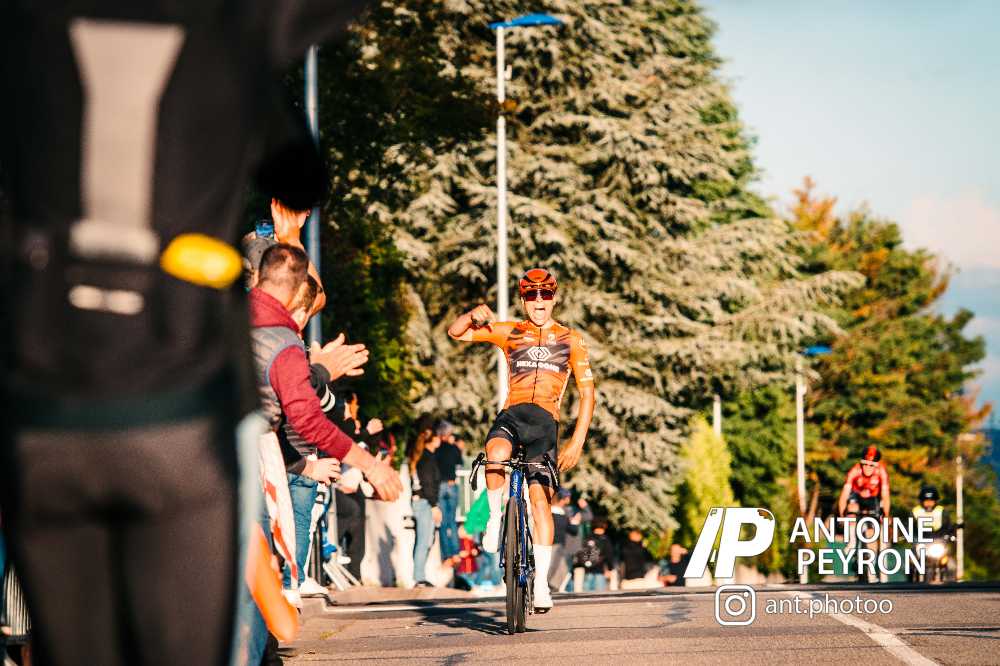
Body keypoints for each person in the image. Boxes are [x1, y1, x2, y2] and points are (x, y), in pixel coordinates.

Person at [0, 2, 371, 664]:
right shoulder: (221, 37)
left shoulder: (29, 27)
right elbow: (300, 174)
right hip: (177, 410)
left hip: (47, 403)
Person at [447, 268, 597, 612]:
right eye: (531, 295)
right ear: (523, 300)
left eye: (545, 295)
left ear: (554, 299)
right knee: (495, 453)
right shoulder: (511, 331)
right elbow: (456, 332)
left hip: (545, 425)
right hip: (513, 415)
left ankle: (541, 585)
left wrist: (576, 442)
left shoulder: (571, 339)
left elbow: (587, 394)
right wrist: (472, 315)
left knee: (540, 501)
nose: (539, 301)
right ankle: (495, 518)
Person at [250, 244, 401, 499]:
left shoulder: (225, 314)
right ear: (300, 289)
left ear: (259, 276)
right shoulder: (283, 343)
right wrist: (371, 466)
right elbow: (308, 421)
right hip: (250, 470)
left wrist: (316, 372)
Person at [409, 430, 442, 587]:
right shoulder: (427, 459)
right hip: (425, 503)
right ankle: (419, 577)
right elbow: (428, 484)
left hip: (422, 502)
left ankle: (419, 575)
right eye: (437, 436)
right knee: (424, 541)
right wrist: (434, 505)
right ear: (431, 440)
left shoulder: (423, 457)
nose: (439, 439)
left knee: (424, 540)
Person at [434, 421, 463, 560]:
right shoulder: (453, 448)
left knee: (443, 522)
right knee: (452, 520)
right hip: (451, 485)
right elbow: (459, 463)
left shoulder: (436, 448)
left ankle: (446, 554)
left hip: (440, 485)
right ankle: (456, 552)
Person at [838, 445, 891, 519]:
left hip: (874, 497)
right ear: (861, 463)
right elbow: (844, 495)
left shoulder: (882, 471)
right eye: (865, 464)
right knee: (852, 509)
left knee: (880, 517)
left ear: (876, 466)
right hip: (856, 495)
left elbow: (885, 496)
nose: (867, 467)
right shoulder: (854, 470)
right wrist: (841, 515)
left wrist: (886, 515)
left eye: (871, 465)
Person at [548, 489, 578, 592]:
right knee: (550, 566)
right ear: (563, 498)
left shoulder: (563, 512)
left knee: (562, 567)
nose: (569, 499)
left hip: (560, 544)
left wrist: (574, 523)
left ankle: (553, 587)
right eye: (568, 497)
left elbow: (573, 530)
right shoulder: (552, 511)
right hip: (551, 544)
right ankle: (542, 585)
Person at [574, 518, 614, 592]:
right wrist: (610, 569)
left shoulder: (587, 538)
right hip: (599, 572)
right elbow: (609, 555)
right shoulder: (605, 539)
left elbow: (580, 553)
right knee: (599, 596)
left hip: (587, 571)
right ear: (604, 526)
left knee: (586, 595)